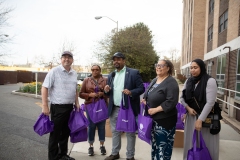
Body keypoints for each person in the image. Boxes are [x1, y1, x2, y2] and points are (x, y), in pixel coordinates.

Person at [104, 52, 145, 160]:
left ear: (124, 61)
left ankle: (130, 156)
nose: (116, 61)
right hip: (114, 108)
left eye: (118, 59)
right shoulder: (112, 75)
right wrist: (107, 90)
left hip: (128, 109)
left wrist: (131, 92)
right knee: (115, 132)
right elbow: (109, 94)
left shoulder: (133, 73)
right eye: (114, 60)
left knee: (130, 132)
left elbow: (141, 88)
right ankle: (115, 153)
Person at [41, 51, 79, 160]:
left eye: (69, 57)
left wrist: (76, 103)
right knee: (55, 134)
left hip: (69, 108)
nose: (67, 59)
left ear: (72, 60)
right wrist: (45, 105)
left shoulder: (74, 73)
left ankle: (63, 155)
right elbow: (44, 87)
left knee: (65, 133)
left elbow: (75, 89)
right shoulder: (54, 71)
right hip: (58, 107)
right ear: (61, 59)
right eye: (64, 57)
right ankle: (53, 157)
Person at [180, 59, 218, 160]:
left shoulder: (210, 81)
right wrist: (188, 108)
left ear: (202, 68)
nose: (193, 70)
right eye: (191, 68)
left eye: (195, 67)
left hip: (205, 118)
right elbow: (182, 98)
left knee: (206, 144)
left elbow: (210, 102)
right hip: (191, 116)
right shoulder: (189, 81)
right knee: (190, 144)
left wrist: (200, 120)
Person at [141, 59, 179, 160]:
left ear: (168, 68)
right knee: (155, 146)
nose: (158, 67)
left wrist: (156, 109)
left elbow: (171, 101)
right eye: (157, 65)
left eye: (161, 65)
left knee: (163, 148)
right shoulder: (155, 80)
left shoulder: (171, 82)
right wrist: (146, 100)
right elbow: (148, 94)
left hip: (165, 121)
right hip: (154, 120)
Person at [79, 64, 108, 156]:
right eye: (93, 70)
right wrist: (89, 95)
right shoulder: (86, 80)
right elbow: (80, 94)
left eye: (97, 69)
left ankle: (102, 145)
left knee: (101, 126)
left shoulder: (105, 80)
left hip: (102, 106)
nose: (95, 71)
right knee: (91, 126)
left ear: (100, 71)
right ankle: (90, 146)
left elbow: (109, 94)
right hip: (90, 106)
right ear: (91, 71)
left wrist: (102, 93)